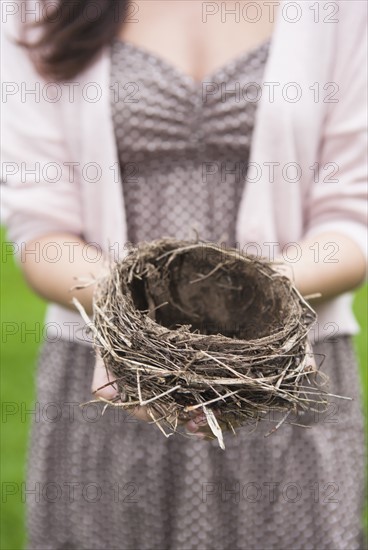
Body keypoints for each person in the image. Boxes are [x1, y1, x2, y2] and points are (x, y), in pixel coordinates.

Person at [1, 1, 367, 549]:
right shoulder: (36, 8)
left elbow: (352, 212)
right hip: (112, 376)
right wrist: (131, 325)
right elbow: (42, 228)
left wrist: (259, 313)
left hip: (278, 377)